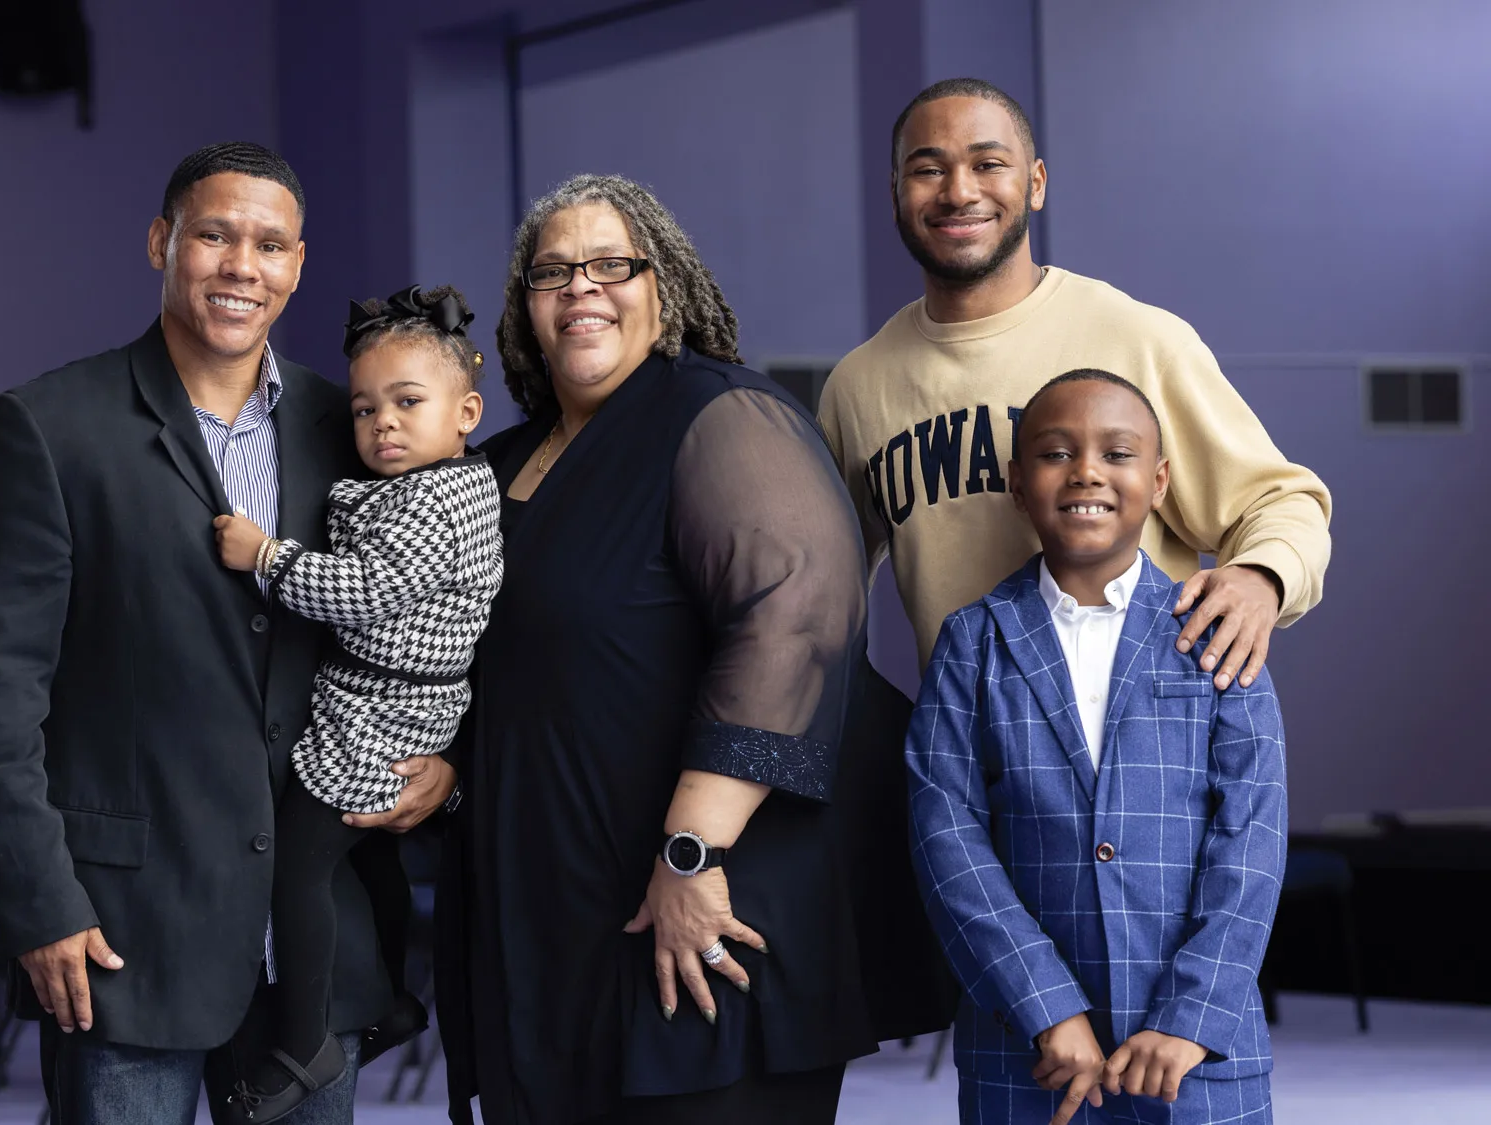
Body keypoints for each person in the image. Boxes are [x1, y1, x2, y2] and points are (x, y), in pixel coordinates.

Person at [0, 142, 441, 1125]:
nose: (239, 265)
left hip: (311, 944)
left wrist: (445, 763)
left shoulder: (357, 429)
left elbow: (426, 612)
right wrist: (39, 906)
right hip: (122, 940)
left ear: (297, 265)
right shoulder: (47, 427)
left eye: (268, 244)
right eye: (213, 235)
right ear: (162, 242)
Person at [437, 173, 885, 1125]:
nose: (581, 289)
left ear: (664, 284)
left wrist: (690, 853)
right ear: (525, 309)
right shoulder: (498, 467)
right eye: (552, 272)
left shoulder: (720, 416)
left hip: (701, 913)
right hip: (547, 929)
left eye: (610, 264)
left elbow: (795, 624)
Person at [816, 78, 1331, 683]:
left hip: (1140, 744)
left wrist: (1260, 578)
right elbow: (813, 583)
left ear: (1034, 183)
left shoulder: (1138, 339)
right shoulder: (857, 386)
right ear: (896, 191)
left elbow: (1281, 503)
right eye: (929, 170)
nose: (959, 193)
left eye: (988, 164)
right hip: (967, 755)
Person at [906, 370, 1286, 1125]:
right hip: (1033, 1052)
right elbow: (945, 835)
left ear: (1159, 479)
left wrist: (1190, 1015)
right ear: (1018, 482)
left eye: (1117, 453)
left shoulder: (1216, 627)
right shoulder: (971, 641)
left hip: (1198, 1054)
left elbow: (1253, 834)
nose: (1086, 471)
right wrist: (1045, 1006)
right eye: (1055, 453)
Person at [210, 284, 501, 1122]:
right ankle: (395, 1000)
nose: (383, 424)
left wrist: (265, 554)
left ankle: (305, 1042)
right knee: (364, 855)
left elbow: (365, 590)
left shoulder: (439, 500)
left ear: (466, 412)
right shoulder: (442, 483)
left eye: (409, 403)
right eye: (367, 408)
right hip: (389, 702)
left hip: (384, 713)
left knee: (295, 867)